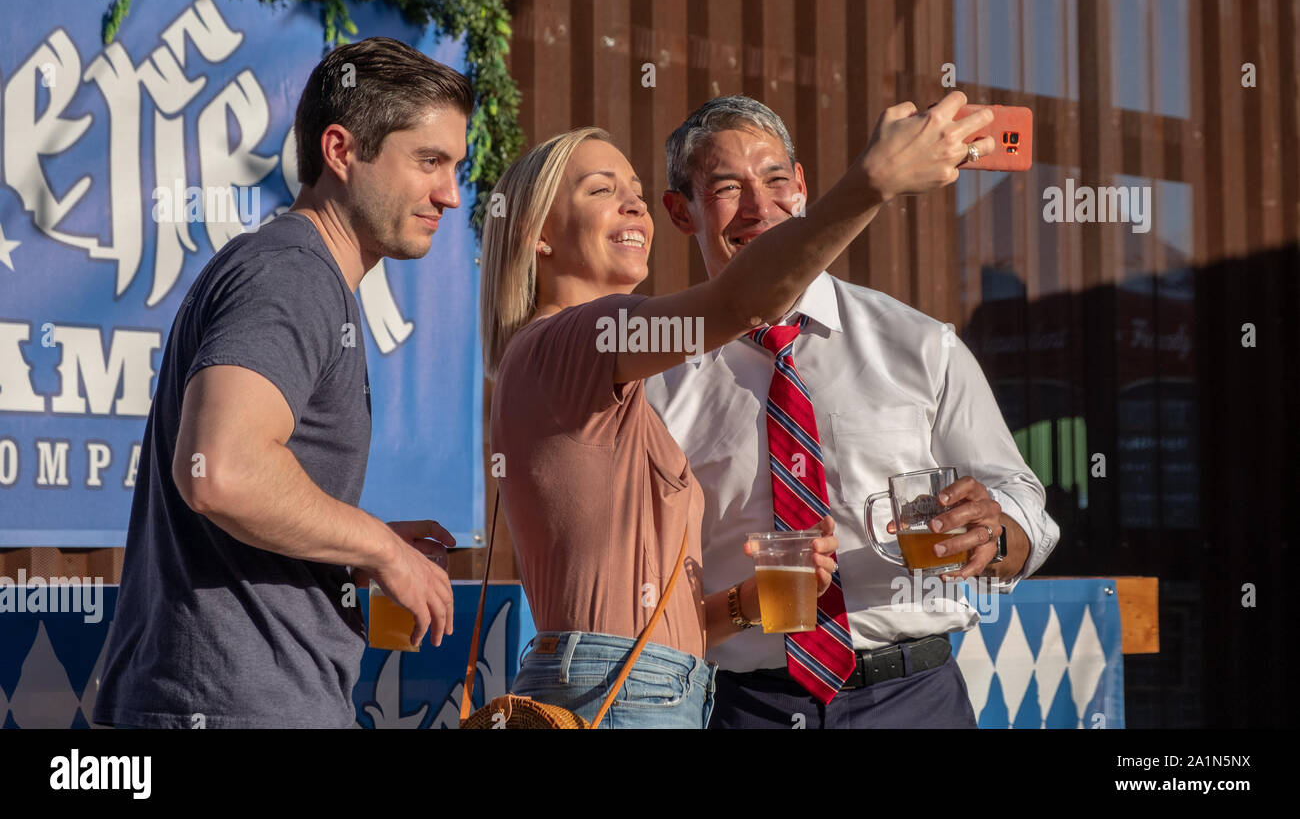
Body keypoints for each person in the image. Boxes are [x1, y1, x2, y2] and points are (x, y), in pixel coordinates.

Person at [480, 93, 996, 728]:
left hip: (667, 681)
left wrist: (751, 604)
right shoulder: (584, 338)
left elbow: (655, 613)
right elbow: (744, 303)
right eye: (600, 189)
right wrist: (873, 183)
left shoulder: (599, 367)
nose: (633, 203)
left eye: (636, 189)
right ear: (537, 237)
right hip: (623, 693)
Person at [645, 93, 1063, 728]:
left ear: (804, 187)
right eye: (727, 186)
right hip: (744, 705)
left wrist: (996, 529)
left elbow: (1021, 497)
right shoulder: (657, 377)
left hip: (914, 699)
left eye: (776, 178)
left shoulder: (921, 345)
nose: (761, 206)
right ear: (682, 212)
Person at [93, 37, 469, 729]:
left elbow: (235, 489)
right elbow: (222, 471)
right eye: (429, 161)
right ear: (340, 150)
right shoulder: (293, 274)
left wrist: (358, 543)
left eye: (455, 167)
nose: (449, 192)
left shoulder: (295, 271)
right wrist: (381, 548)